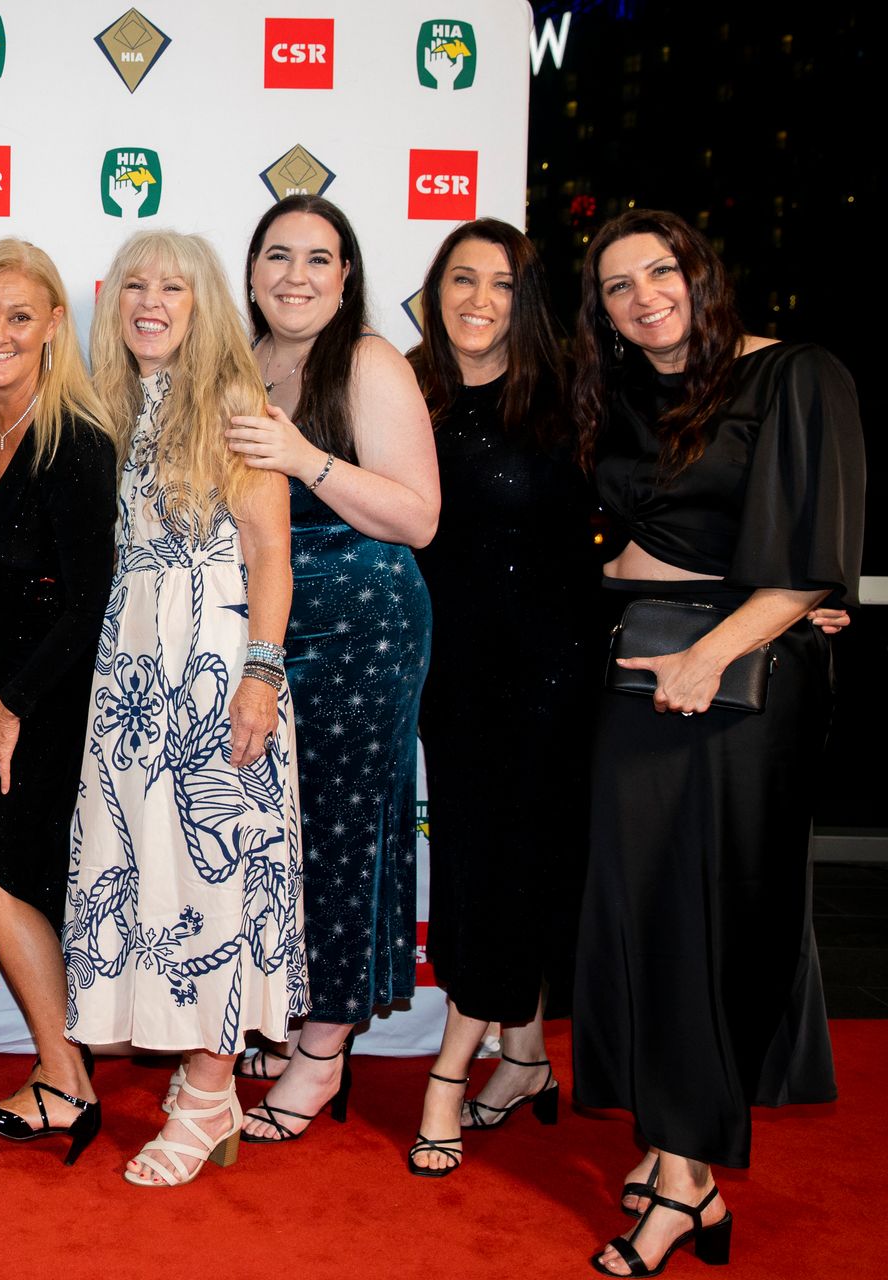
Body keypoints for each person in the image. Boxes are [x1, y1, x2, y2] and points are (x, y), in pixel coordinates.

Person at [570, 209, 863, 1277]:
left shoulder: (795, 373)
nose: (644, 294)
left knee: (707, 916)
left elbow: (815, 556)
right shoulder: (630, 396)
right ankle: (665, 1143)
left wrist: (716, 652)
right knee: (641, 917)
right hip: (635, 674)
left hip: (733, 687)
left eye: (662, 271)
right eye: (617, 284)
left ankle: (686, 1179)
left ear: (703, 273)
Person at [66, 229, 306, 1187]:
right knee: (152, 869)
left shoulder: (235, 402)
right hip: (131, 676)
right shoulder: (118, 403)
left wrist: (260, 675)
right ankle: (200, 1077)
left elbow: (272, 556)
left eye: (173, 287)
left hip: (212, 670)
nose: (150, 302)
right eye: (134, 285)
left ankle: (209, 1095)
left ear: (205, 304)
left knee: (215, 874)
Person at [224, 194, 439, 1142]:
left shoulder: (367, 361)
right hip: (260, 632)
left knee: (346, 837)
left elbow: (418, 518)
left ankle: (324, 1048)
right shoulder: (236, 366)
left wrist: (306, 457)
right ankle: (284, 1011)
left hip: (363, 633)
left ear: (347, 276)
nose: (296, 276)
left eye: (319, 258)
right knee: (275, 842)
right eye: (278, 256)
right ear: (253, 269)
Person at [398, 218, 596, 1175]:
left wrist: (787, 593)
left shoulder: (568, 400)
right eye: (462, 279)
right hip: (444, 676)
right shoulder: (406, 389)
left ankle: (448, 1071)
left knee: (504, 871)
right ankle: (522, 1056)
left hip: (546, 682)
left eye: (504, 284)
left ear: (529, 302)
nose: (480, 300)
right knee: (478, 865)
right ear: (435, 291)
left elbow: (658, 511)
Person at [0, 239, 118, 1164]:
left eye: (19, 315)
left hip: (50, 695)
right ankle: (69, 1071)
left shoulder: (76, 442)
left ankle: (62, 1075)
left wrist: (10, 706)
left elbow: (92, 602)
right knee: (4, 872)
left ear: (56, 325)